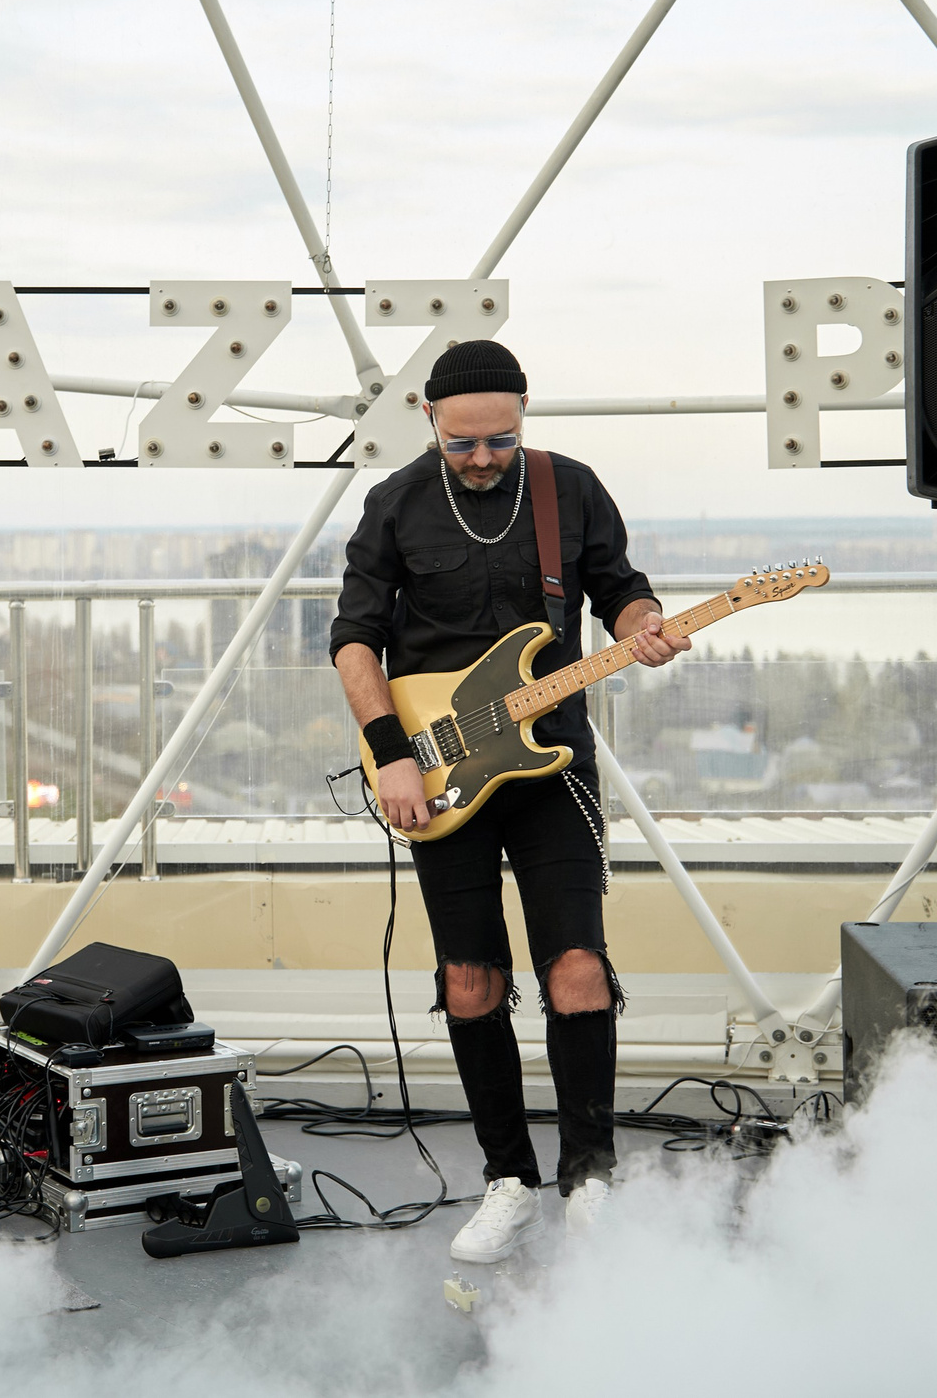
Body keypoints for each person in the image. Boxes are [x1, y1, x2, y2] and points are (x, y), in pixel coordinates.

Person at [329, 340, 687, 1265]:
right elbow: (356, 640)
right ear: (428, 420)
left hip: (552, 759)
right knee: (469, 979)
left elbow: (621, 590)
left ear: (524, 412)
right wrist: (390, 756)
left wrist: (642, 628)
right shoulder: (395, 502)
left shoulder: (568, 488)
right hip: (438, 771)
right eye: (462, 443)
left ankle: (591, 1176)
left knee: (576, 966)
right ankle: (508, 1181)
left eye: (499, 438)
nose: (481, 458)